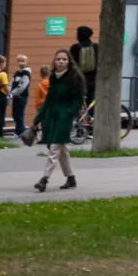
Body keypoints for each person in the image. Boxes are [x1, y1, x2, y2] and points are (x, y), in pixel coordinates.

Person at [32, 48, 85, 193]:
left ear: (69, 61)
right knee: (62, 151)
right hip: (53, 117)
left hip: (65, 117)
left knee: (54, 148)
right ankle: (71, 178)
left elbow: (78, 99)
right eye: (58, 59)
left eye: (64, 59)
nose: (61, 61)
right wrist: (38, 118)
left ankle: (44, 179)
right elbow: (48, 100)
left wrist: (70, 112)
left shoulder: (74, 77)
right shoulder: (53, 78)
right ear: (54, 61)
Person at [72, 26, 99, 106]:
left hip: (79, 80)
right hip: (94, 80)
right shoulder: (96, 47)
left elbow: (72, 64)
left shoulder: (75, 48)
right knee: (92, 102)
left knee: (80, 102)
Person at [9, 53, 32, 141]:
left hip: (22, 97)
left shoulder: (26, 73)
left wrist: (13, 93)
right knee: (14, 114)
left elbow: (22, 86)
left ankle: (21, 132)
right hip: (15, 97)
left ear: (26, 62)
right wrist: (9, 90)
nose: (21, 63)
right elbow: (12, 82)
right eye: (19, 61)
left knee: (19, 115)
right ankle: (19, 131)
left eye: (23, 61)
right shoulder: (17, 73)